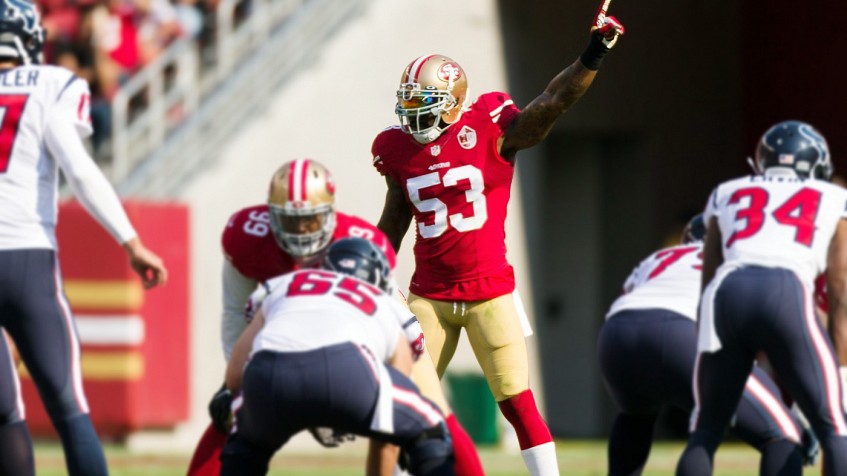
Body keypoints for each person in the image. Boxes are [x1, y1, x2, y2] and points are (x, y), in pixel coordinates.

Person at [371, 3, 624, 474]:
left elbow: (552, 102)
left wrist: (592, 54)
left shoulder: (488, 126)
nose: (411, 113)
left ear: (451, 103)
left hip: (490, 293)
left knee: (517, 403)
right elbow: (395, 217)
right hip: (428, 296)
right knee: (403, 400)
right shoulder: (396, 149)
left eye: (422, 103)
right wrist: (373, 271)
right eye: (408, 102)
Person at [186, 158, 482, 476]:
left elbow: (398, 326)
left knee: (437, 408)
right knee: (226, 413)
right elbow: (234, 311)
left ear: (329, 213)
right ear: (270, 216)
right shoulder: (249, 238)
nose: (300, 231)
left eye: (310, 221)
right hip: (299, 336)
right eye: (290, 221)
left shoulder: (361, 244)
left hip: (346, 339)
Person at [0, 2, 168, 475]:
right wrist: (131, 243)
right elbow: (78, 169)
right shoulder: (51, 83)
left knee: (5, 412)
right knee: (69, 408)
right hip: (26, 259)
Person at [675, 120, 847, 475]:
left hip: (725, 294)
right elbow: (841, 284)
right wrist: (840, 364)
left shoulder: (728, 190)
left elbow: (709, 273)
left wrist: (707, 337)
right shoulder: (834, 197)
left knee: (706, 429)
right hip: (785, 289)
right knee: (834, 427)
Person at [599, 215, 815, 475]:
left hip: (617, 335)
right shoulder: (744, 260)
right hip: (684, 333)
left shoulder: (658, 258)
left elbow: (630, 296)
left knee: (636, 414)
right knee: (783, 433)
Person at [220, 237, 455, 476]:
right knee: (429, 425)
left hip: (269, 371)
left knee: (244, 443)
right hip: (347, 370)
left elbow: (235, 376)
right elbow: (390, 423)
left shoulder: (286, 284)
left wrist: (251, 411)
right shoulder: (384, 300)